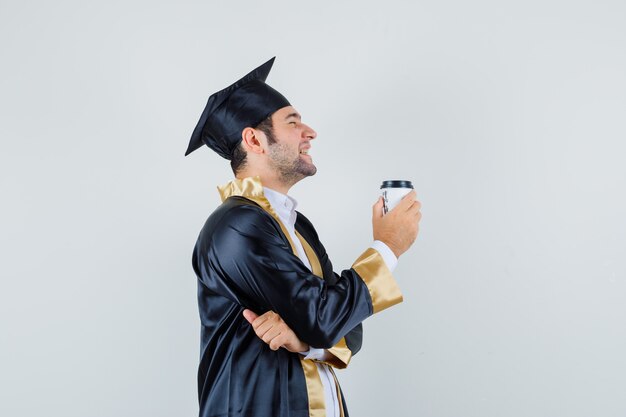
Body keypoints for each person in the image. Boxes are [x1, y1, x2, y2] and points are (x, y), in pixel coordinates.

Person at [185, 57, 421, 417]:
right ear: (254, 140)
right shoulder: (237, 225)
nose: (309, 132)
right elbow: (325, 319)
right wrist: (387, 246)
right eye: (293, 122)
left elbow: (347, 329)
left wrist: (302, 342)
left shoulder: (297, 226)